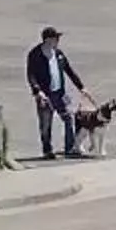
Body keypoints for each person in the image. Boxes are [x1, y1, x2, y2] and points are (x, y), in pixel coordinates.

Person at [25, 26, 91, 159]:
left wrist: (81, 87)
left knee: (68, 118)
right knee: (46, 123)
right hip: (45, 95)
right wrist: (37, 91)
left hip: (59, 93)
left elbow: (69, 71)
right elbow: (31, 74)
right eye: (56, 38)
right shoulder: (35, 55)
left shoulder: (58, 54)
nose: (58, 41)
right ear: (48, 40)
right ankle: (47, 150)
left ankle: (70, 147)